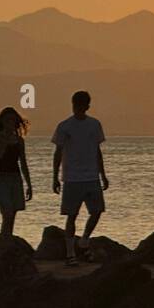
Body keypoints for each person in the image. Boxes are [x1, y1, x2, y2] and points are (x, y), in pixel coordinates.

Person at [51, 90, 108, 266]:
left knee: (97, 211)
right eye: (77, 105)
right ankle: (70, 253)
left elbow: (97, 151)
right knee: (71, 215)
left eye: (82, 105)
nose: (79, 108)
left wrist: (103, 175)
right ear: (73, 105)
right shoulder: (65, 126)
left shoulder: (94, 124)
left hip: (91, 176)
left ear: (87, 106)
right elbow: (58, 152)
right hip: (72, 178)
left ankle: (83, 240)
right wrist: (55, 177)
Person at [0, 107, 32, 244]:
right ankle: (3, 240)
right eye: (7, 120)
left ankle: (6, 241)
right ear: (2, 121)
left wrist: (29, 185)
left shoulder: (19, 141)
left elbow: (23, 163)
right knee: (7, 212)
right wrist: (6, 139)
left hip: (15, 178)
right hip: (0, 177)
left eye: (12, 120)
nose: (10, 123)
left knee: (12, 214)